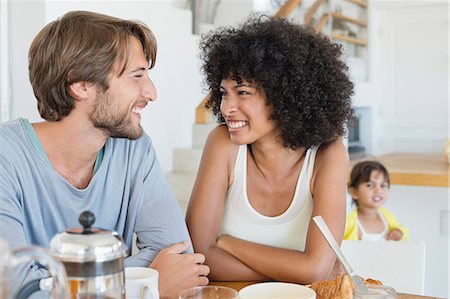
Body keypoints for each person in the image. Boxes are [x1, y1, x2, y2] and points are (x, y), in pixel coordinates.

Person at [0, 11, 209, 298]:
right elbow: (15, 289)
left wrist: (53, 282)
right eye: (137, 76)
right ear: (81, 84)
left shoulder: (133, 148)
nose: (151, 92)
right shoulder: (5, 156)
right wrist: (141, 285)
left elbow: (180, 258)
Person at [185, 16, 354, 283]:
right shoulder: (222, 144)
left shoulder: (328, 155)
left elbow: (315, 270)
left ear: (284, 96)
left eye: (242, 93)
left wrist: (228, 243)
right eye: (224, 93)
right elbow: (198, 257)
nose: (226, 108)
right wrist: (295, 270)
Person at [344, 161, 410, 241]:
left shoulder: (386, 215)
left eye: (382, 185)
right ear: (354, 192)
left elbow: (404, 231)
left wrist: (400, 232)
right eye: (370, 185)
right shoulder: (349, 222)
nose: (378, 190)